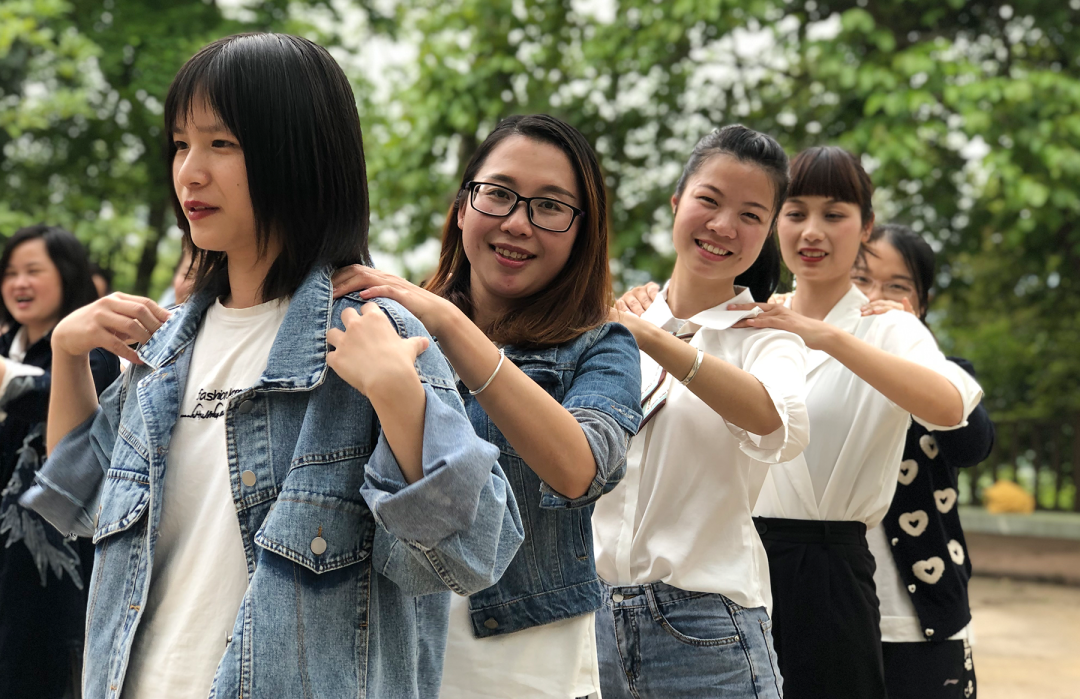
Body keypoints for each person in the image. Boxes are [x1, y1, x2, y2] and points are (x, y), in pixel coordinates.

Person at [21, 33, 522, 699]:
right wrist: (67, 354)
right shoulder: (166, 349)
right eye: (181, 144)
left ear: (299, 153)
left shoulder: (372, 335)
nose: (189, 172)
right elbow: (79, 500)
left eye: (221, 143)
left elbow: (473, 555)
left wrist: (400, 396)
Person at [331, 114, 643, 699]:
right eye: (498, 194)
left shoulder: (601, 345)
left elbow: (580, 468)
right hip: (385, 651)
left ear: (582, 232)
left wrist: (451, 324)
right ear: (461, 207)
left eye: (550, 207)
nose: (518, 222)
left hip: (525, 667)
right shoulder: (390, 325)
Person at [730, 146, 983, 699]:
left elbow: (950, 407)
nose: (811, 231)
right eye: (795, 213)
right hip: (736, 568)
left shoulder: (888, 326)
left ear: (866, 226)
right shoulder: (746, 317)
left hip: (833, 571)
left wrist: (827, 337)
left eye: (834, 214)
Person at [589, 125, 808, 699]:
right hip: (590, 623)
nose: (723, 226)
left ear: (768, 233)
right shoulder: (611, 324)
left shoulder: (766, 338)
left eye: (751, 215)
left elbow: (776, 423)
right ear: (676, 202)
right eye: (708, 200)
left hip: (707, 628)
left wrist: (652, 338)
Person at [854, 223, 993, 699]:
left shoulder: (946, 378)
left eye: (898, 287)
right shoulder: (799, 365)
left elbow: (973, 446)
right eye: (861, 280)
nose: (876, 298)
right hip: (828, 610)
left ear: (922, 302)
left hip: (924, 618)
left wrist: (911, 348)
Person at [0, 225, 120, 698]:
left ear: (67, 273)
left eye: (33, 271)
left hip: (52, 562)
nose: (19, 283)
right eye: (10, 273)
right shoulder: (7, 346)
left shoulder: (92, 350)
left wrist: (10, 380)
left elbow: (56, 406)